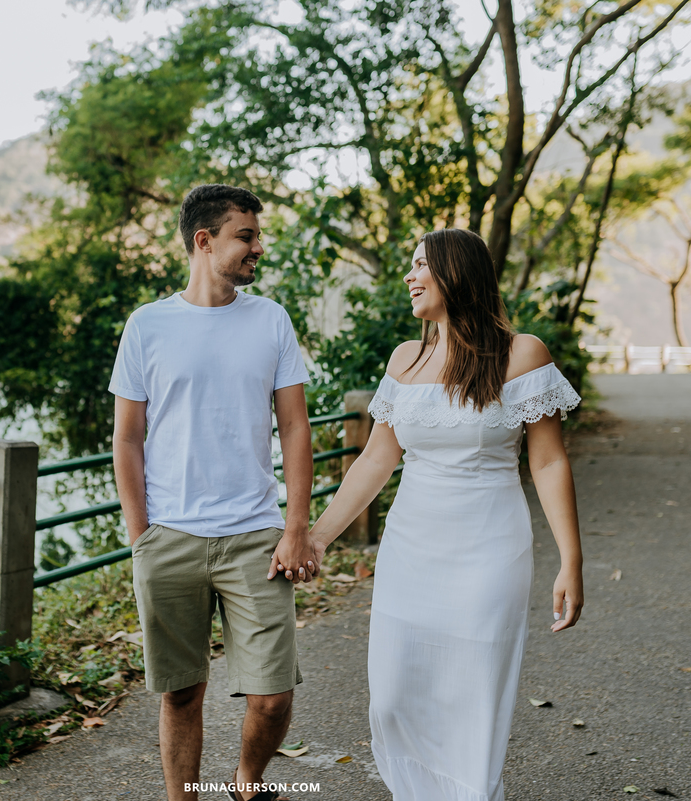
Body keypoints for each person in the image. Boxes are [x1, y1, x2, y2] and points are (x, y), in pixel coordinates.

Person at [304, 228, 585, 800]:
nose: (409, 277)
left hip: (489, 548)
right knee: (392, 697)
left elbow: (549, 461)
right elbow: (375, 460)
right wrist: (316, 537)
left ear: (457, 272)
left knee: (470, 696)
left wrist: (571, 560)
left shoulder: (522, 354)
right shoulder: (405, 359)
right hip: (411, 548)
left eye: (420, 265)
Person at [110, 184, 317, 801]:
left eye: (257, 235)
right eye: (245, 236)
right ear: (205, 240)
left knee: (273, 696)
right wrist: (141, 537)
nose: (258, 247)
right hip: (169, 537)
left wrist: (296, 527)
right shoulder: (147, 325)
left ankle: (247, 781)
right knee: (181, 693)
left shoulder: (270, 319)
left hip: (255, 535)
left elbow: (295, 428)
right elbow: (127, 438)